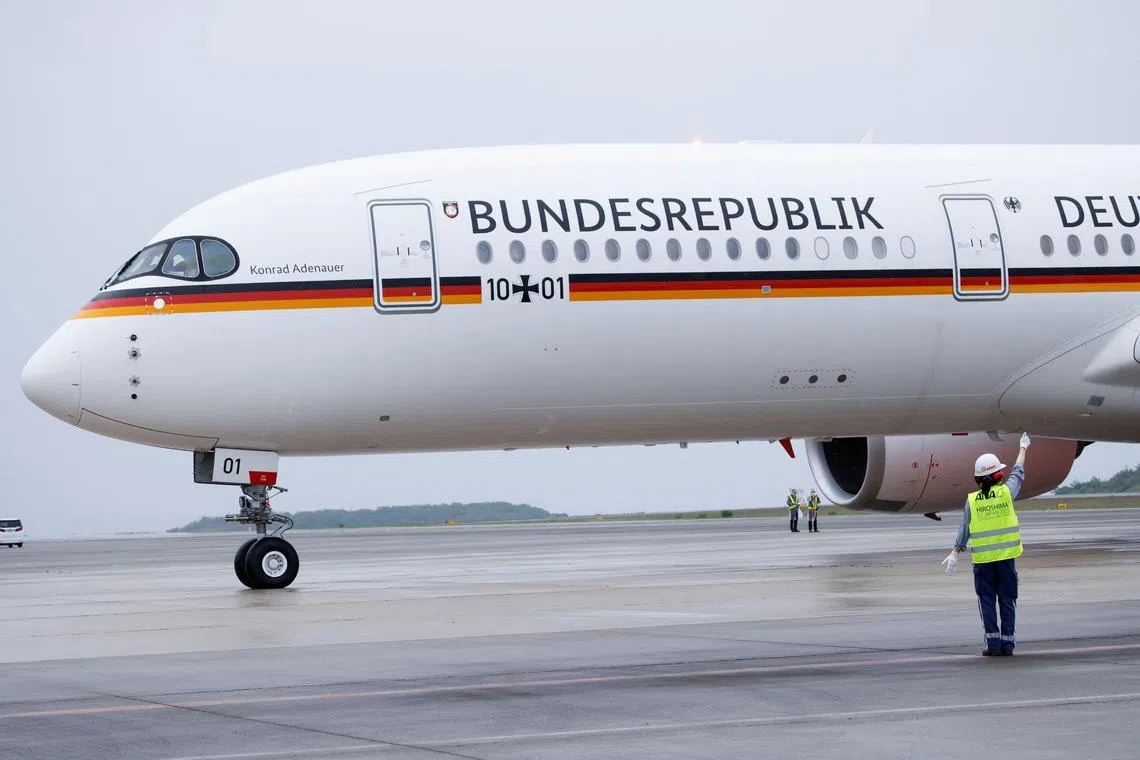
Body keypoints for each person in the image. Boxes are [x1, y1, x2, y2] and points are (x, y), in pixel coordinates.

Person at [941, 433, 1030, 656]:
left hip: (983, 563)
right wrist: (1023, 447)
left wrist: (955, 552)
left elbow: (964, 529)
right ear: (999, 475)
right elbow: (1018, 472)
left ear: (977, 480)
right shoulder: (1007, 492)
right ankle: (1007, 644)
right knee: (1008, 600)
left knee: (987, 601)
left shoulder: (972, 501)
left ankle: (992, 644)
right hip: (1006, 559)